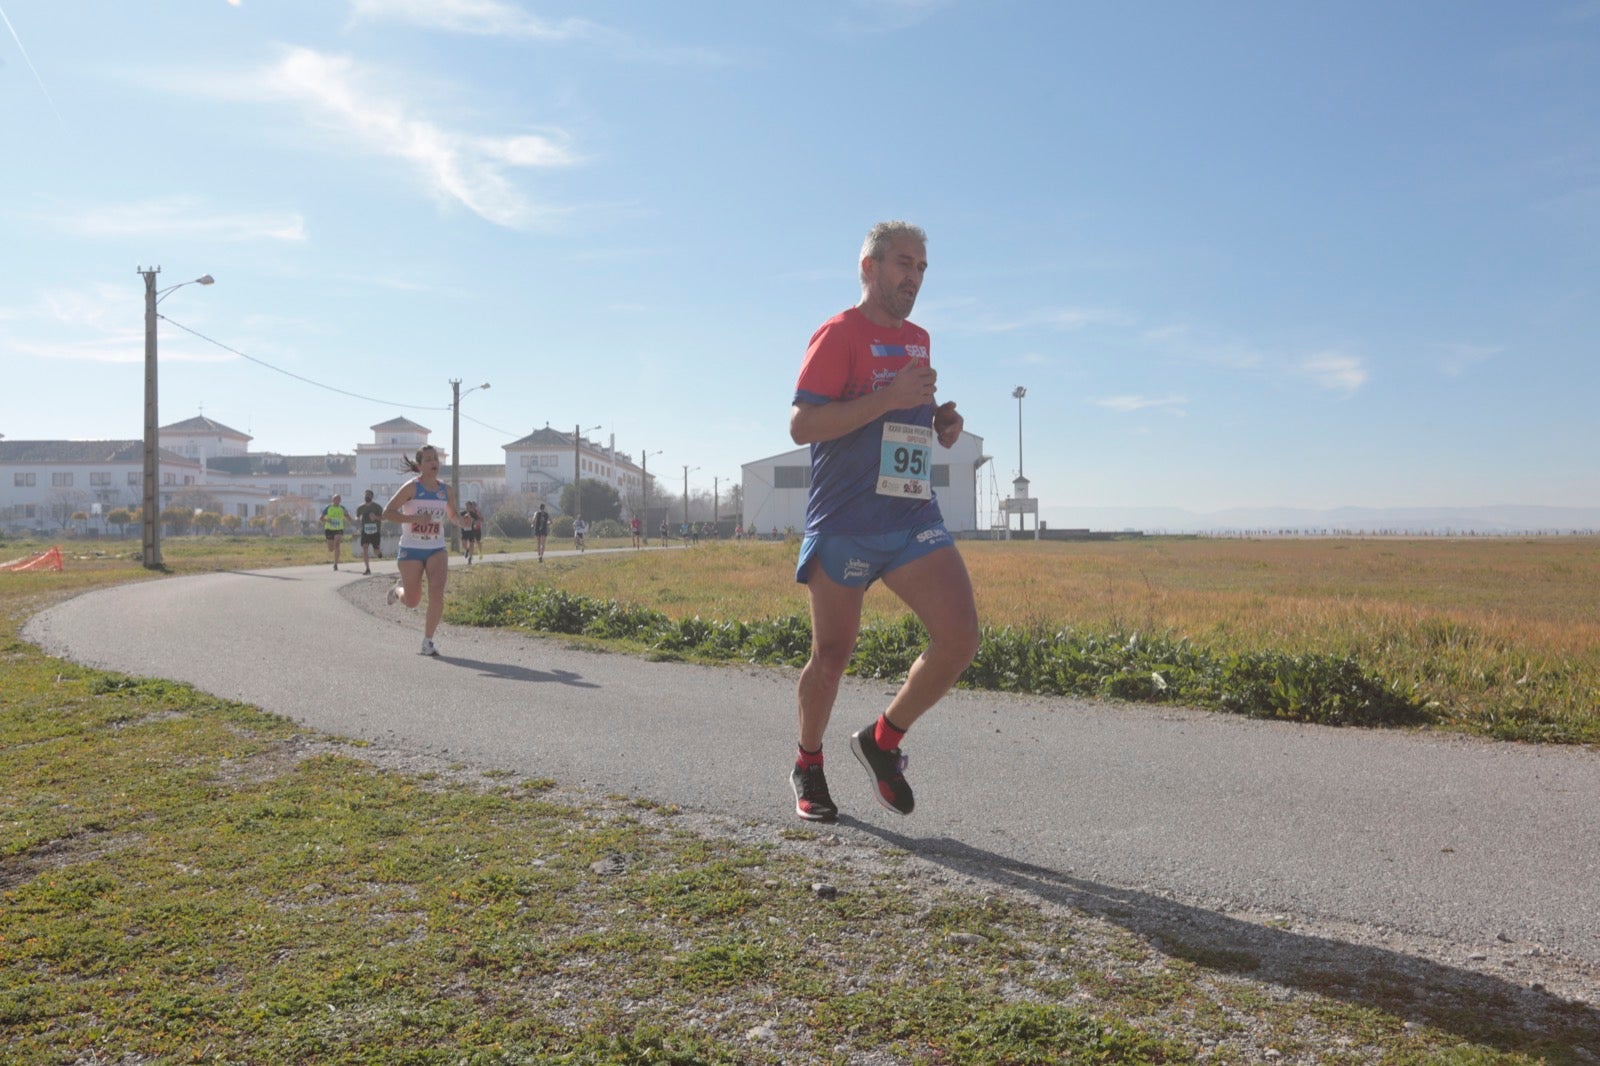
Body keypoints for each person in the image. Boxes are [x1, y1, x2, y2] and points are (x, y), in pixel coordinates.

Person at [786, 221, 979, 824]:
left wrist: (937, 421)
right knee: (833, 655)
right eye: (903, 264)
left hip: (910, 513)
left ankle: (882, 740)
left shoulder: (920, 338)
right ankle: (808, 762)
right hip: (845, 518)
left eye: (921, 268)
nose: (914, 277)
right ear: (868, 268)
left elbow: (903, 416)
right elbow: (802, 426)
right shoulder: (838, 334)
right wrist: (891, 399)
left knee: (960, 638)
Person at [382, 445, 463, 656]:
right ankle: (396, 591)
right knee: (412, 600)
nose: (433, 462)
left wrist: (464, 521)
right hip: (411, 548)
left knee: (437, 591)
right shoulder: (412, 488)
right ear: (419, 465)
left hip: (436, 547)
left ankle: (428, 641)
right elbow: (387, 512)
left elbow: (453, 516)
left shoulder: (446, 491)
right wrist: (414, 519)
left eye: (435, 458)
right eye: (427, 459)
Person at [355, 489, 385, 574]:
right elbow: (357, 516)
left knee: (376, 550)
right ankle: (367, 569)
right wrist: (357, 519)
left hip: (375, 531)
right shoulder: (360, 507)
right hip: (365, 531)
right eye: (365, 495)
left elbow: (384, 518)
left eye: (368, 495)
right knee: (365, 548)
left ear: (372, 496)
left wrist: (375, 517)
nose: (367, 496)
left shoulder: (377, 507)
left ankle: (379, 552)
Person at [320, 494, 349, 570]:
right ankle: (334, 558)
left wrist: (348, 516)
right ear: (332, 500)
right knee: (331, 549)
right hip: (329, 529)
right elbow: (321, 518)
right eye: (335, 499)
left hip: (339, 529)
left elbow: (349, 518)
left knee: (337, 545)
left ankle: (335, 564)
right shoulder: (328, 507)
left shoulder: (342, 508)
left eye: (338, 499)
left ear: (340, 500)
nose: (337, 501)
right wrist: (327, 520)